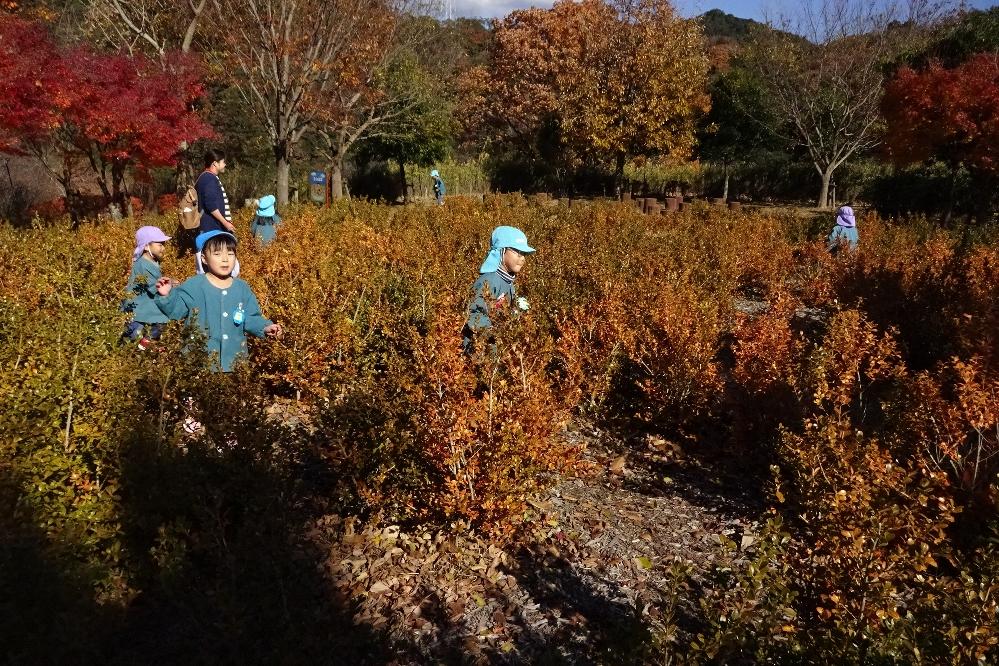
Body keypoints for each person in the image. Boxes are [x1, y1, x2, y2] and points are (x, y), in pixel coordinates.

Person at [156, 230, 282, 372]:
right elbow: (177, 311)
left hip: (234, 363)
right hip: (199, 362)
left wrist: (265, 327)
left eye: (230, 253)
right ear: (204, 258)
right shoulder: (194, 285)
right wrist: (167, 295)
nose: (225, 259)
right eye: (217, 254)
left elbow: (251, 317)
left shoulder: (242, 288)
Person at [462, 226, 535, 353]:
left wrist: (516, 308)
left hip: (496, 348)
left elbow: (501, 309)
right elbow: (473, 314)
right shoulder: (488, 281)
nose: (522, 258)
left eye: (524, 254)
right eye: (518, 252)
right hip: (480, 350)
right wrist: (496, 332)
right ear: (501, 251)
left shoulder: (507, 280)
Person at [122, 225, 172, 349]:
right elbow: (153, 286)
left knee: (156, 325)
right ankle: (142, 346)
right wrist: (170, 285)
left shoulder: (153, 262)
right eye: (160, 244)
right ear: (146, 246)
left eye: (163, 244)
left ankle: (143, 346)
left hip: (145, 306)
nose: (163, 248)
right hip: (138, 307)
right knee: (157, 324)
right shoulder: (142, 265)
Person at [195, 149, 237, 235]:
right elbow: (211, 205)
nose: (225, 164)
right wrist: (225, 222)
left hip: (211, 227)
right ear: (215, 163)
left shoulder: (206, 177)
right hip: (212, 228)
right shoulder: (209, 178)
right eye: (223, 162)